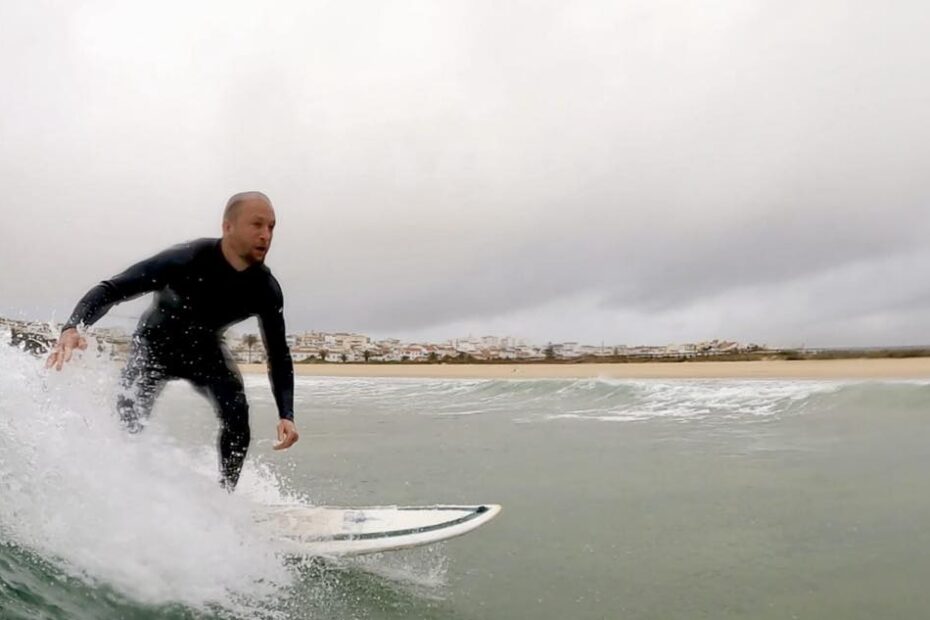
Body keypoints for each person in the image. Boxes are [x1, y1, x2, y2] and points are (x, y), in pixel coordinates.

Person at [45, 191, 299, 490]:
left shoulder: (265, 289)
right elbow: (112, 289)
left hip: (205, 350)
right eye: (257, 224)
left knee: (237, 418)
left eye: (271, 226)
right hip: (154, 345)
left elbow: (279, 354)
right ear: (227, 226)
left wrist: (286, 414)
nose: (265, 235)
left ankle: (226, 499)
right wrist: (73, 327)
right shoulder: (185, 259)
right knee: (128, 422)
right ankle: (115, 487)